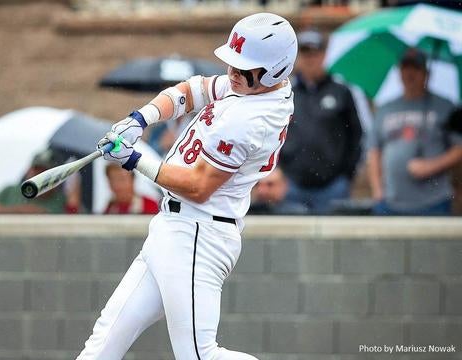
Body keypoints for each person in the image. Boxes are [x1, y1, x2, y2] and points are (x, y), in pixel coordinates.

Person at [78, 13, 297, 360]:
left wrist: (135, 159)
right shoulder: (254, 88)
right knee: (102, 346)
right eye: (233, 65)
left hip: (199, 233)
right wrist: (140, 119)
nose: (233, 73)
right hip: (173, 228)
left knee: (198, 355)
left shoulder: (252, 119)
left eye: (244, 69)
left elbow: (197, 187)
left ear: (275, 69)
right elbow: (191, 90)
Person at [367, 48, 462, 216]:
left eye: (415, 68)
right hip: (390, 202)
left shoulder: (446, 107)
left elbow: (459, 147)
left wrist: (432, 165)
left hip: (434, 202)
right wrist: (377, 190)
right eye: (405, 67)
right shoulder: (385, 108)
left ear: (426, 73)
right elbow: (374, 150)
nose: (410, 73)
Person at [278, 29, 363, 214]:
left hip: (333, 186)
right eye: (305, 53)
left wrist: (347, 174)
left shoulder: (341, 92)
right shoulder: (285, 92)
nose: (310, 58)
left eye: (315, 53)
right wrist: (280, 171)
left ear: (324, 55)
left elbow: (356, 135)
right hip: (292, 183)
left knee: (334, 241)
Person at [0, 150, 80, 214]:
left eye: (45, 172)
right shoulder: (10, 191)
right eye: (36, 169)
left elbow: (75, 225)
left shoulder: (62, 200)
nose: (39, 175)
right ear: (28, 171)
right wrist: (19, 211)